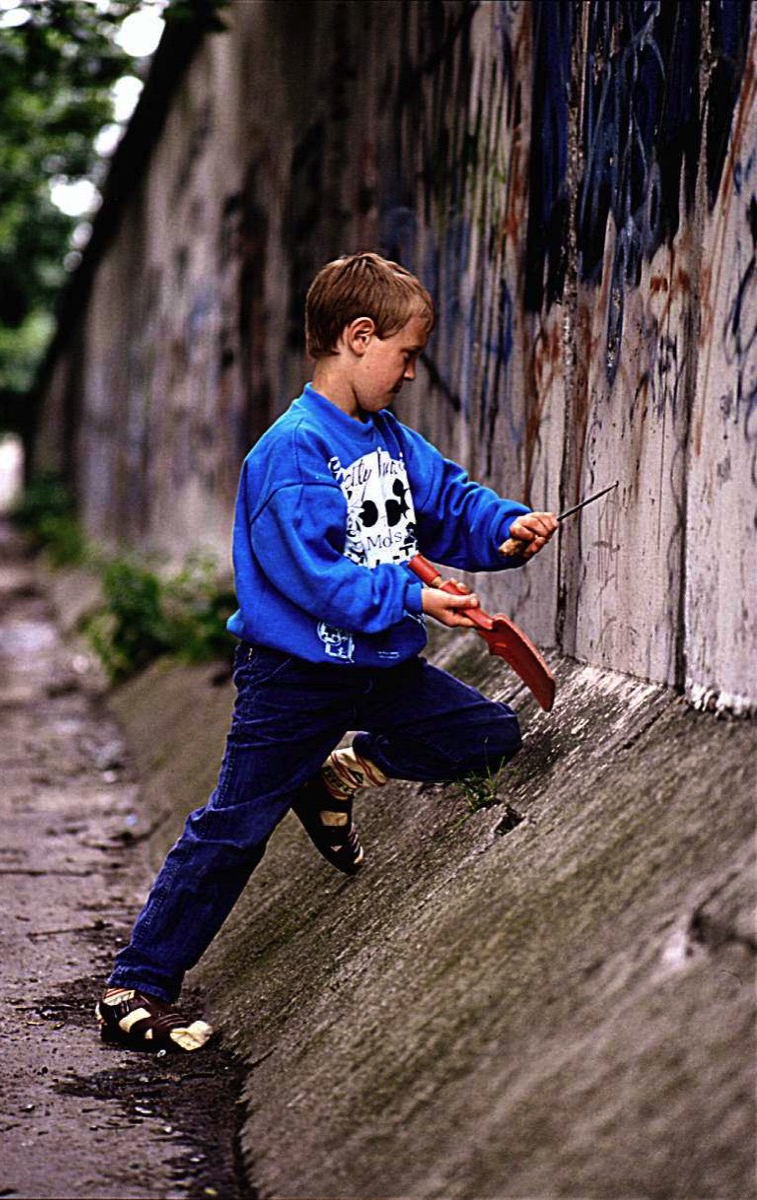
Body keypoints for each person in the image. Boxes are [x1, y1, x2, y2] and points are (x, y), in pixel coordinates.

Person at [96, 252, 558, 1051]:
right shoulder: (293, 451)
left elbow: (450, 504)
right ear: (358, 336)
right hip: (295, 680)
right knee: (235, 826)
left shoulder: (390, 440)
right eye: (405, 355)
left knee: (488, 735)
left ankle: (339, 774)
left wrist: (506, 529)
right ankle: (136, 984)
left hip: (381, 670)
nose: (411, 373)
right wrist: (414, 596)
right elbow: (314, 576)